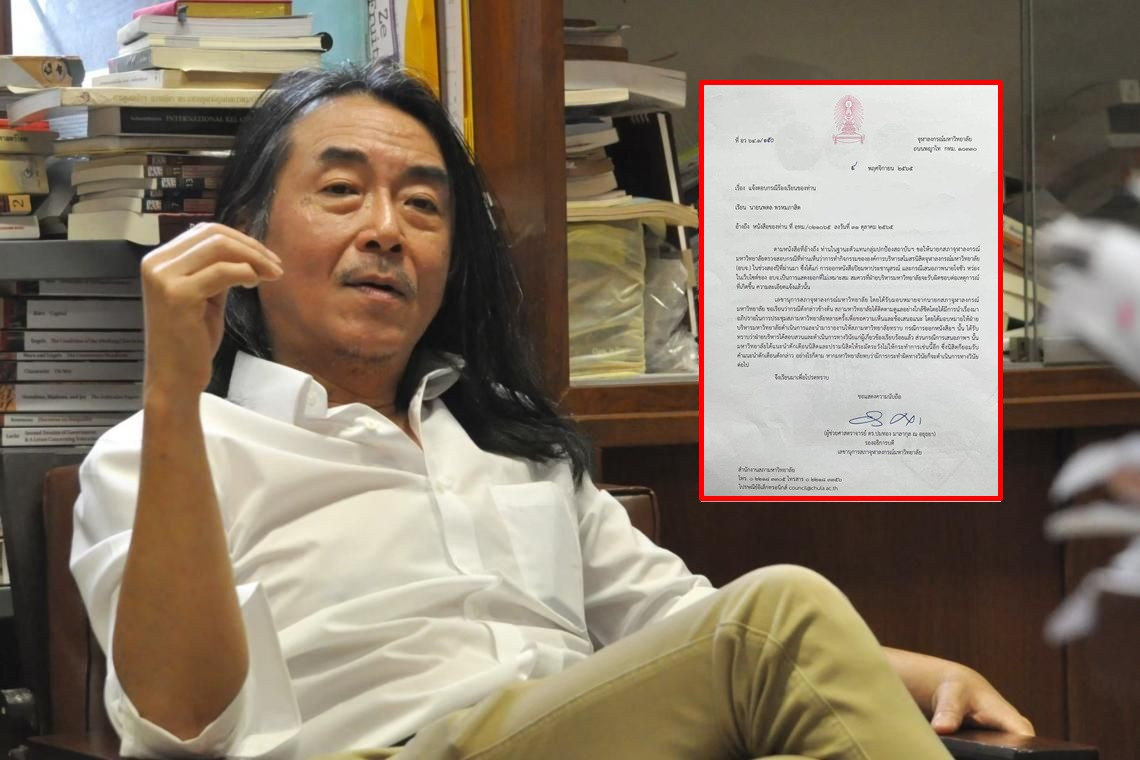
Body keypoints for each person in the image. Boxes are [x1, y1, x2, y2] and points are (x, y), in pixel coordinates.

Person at [71, 61, 1032, 760]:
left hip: (569, 730)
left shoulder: (513, 446)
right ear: (246, 233)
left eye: (423, 207)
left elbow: (679, 622)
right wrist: (172, 396)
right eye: (340, 191)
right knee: (779, 610)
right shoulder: (164, 451)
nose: (386, 231)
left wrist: (919, 673)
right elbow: (181, 723)